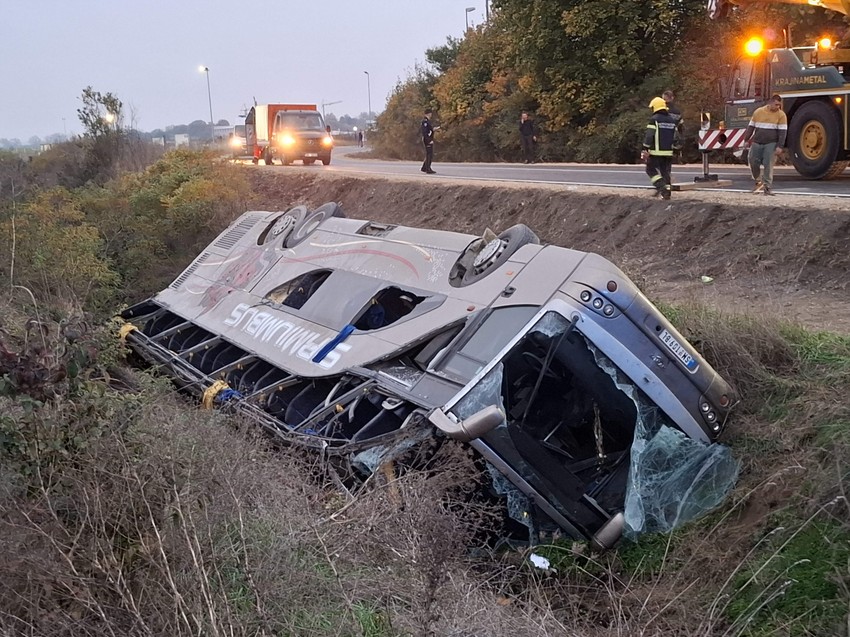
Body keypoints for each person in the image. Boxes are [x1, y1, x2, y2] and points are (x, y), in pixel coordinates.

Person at [743, 94, 786, 196]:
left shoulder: (781, 115)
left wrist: (780, 146)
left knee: (768, 164)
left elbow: (783, 132)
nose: (777, 107)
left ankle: (767, 186)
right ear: (770, 102)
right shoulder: (758, 112)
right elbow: (751, 127)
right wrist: (746, 140)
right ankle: (758, 181)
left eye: (779, 105)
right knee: (753, 161)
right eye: (776, 104)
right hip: (757, 141)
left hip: (771, 143)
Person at [641, 97, 677, 200]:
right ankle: (667, 193)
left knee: (650, 170)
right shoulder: (671, 120)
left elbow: (649, 135)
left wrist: (645, 147)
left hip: (656, 152)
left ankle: (662, 188)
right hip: (668, 152)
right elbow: (676, 136)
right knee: (665, 172)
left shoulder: (654, 119)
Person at [420, 109, 438, 174]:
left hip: (429, 139)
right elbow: (425, 132)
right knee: (429, 155)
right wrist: (429, 140)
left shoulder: (427, 121)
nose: (431, 115)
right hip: (427, 140)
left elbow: (429, 130)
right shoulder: (425, 122)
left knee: (429, 154)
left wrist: (433, 129)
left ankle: (424, 168)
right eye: (430, 113)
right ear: (428, 114)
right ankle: (428, 169)